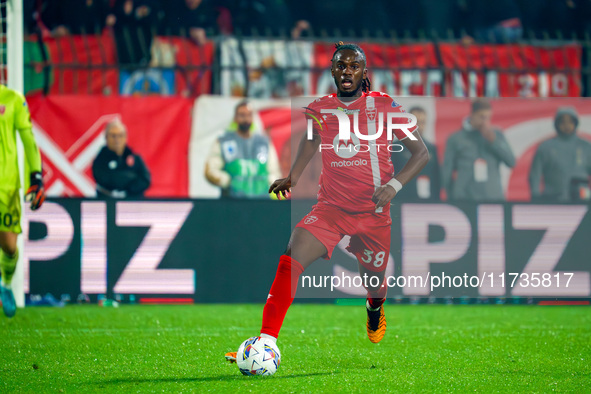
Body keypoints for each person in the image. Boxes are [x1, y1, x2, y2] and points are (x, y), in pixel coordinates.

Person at [225, 42, 429, 364]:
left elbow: (422, 154)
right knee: (293, 252)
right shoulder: (320, 109)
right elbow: (310, 139)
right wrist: (292, 177)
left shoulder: (386, 106)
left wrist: (394, 184)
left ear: (363, 72)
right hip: (331, 209)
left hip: (373, 213)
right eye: (341, 66)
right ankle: (266, 341)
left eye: (353, 66)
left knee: (374, 284)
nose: (347, 71)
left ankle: (374, 308)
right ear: (332, 70)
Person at [0, 85, 46, 318]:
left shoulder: (12, 99)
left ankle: (6, 283)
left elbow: (28, 139)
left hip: (6, 186)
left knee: (9, 246)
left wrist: (36, 177)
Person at [442, 99, 515, 202]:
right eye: (482, 117)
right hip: (465, 198)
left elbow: (511, 162)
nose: (485, 122)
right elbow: (447, 171)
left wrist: (494, 142)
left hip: (492, 198)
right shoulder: (456, 139)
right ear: (472, 115)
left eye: (488, 118)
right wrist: (452, 197)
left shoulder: (496, 135)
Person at [204, 101, 281, 199]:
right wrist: (226, 181)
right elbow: (210, 170)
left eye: (249, 115)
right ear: (235, 118)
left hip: (262, 202)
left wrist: (269, 182)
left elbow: (274, 171)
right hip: (233, 203)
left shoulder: (263, 143)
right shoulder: (224, 142)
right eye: (242, 115)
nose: (246, 119)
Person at [529, 107, 591, 202]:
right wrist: (535, 196)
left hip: (582, 200)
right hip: (552, 199)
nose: (567, 125)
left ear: (575, 124)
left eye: (570, 122)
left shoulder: (586, 146)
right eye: (563, 122)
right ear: (557, 124)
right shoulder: (545, 147)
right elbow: (535, 175)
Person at [92, 119, 151, 198]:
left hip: (133, 203)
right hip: (108, 202)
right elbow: (104, 179)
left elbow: (145, 180)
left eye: (120, 135)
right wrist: (131, 177)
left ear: (125, 137)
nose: (117, 140)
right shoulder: (100, 159)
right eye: (113, 136)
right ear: (106, 137)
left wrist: (129, 189)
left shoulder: (135, 158)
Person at [391, 106, 441, 201]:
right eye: (416, 122)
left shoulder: (431, 148)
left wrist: (436, 200)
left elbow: (436, 178)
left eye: (423, 122)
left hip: (427, 200)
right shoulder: (396, 147)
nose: (419, 126)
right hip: (401, 200)